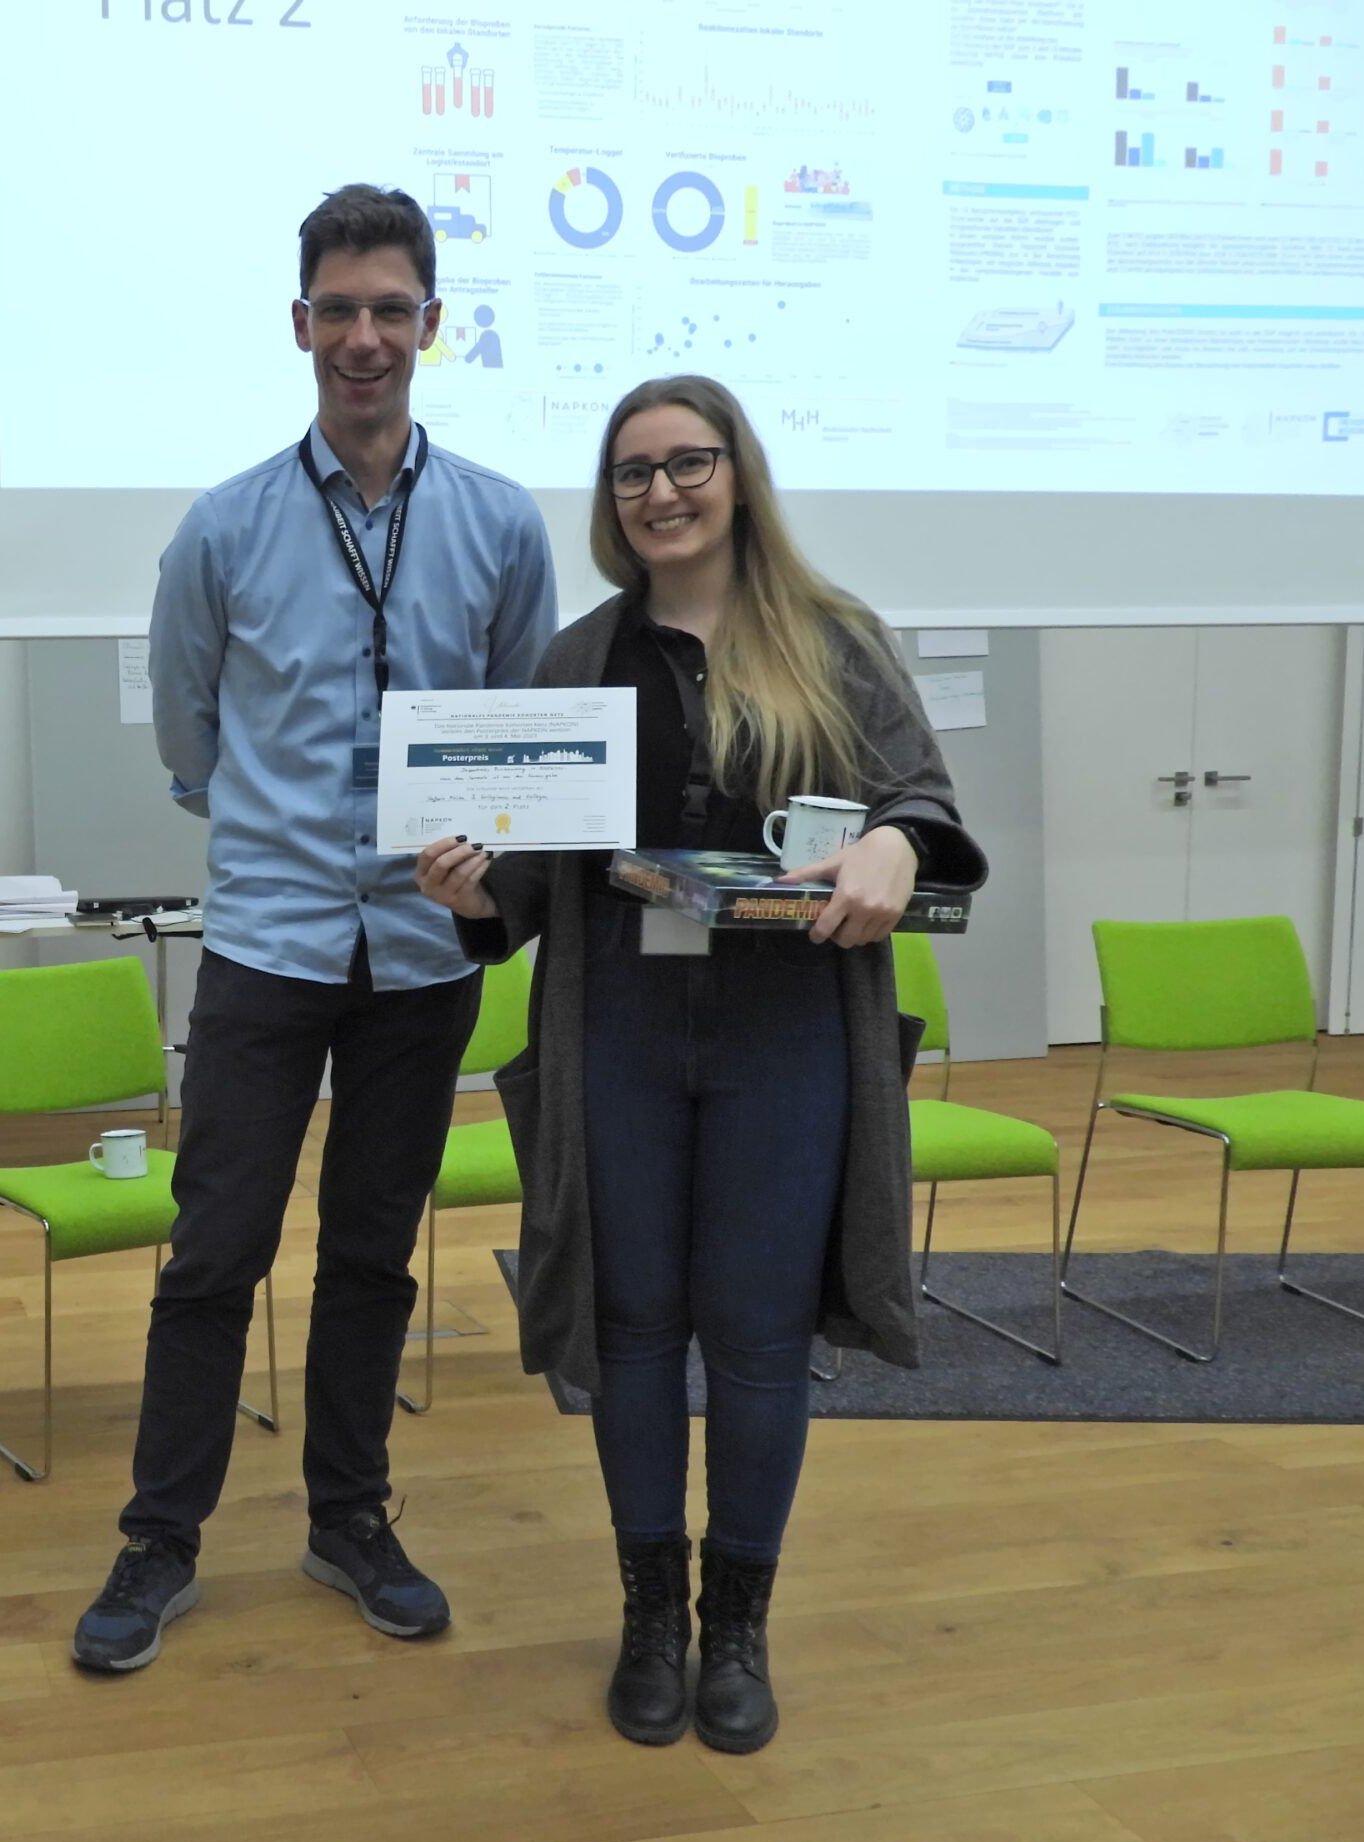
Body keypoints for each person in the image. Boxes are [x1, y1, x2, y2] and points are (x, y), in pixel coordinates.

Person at [416, 374, 985, 1752]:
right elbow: (535, 882)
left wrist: (897, 847)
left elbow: (922, 805)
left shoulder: (836, 643)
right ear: (610, 504)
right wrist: (472, 893)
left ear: (739, 473)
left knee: (753, 1337)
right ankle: (648, 1620)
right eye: (631, 474)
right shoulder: (577, 659)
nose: (660, 492)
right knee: (628, 1328)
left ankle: (737, 1626)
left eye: (686, 463)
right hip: (615, 1021)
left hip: (784, 1033)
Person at [72, 184, 557, 1673]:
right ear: (301, 327)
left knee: (370, 1254)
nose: (364, 337)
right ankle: (160, 1542)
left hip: (420, 961)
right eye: (338, 310)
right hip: (270, 947)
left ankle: (350, 1515)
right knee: (213, 1250)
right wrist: (288, 836)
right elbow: (190, 734)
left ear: (431, 325)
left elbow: (519, 733)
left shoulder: (496, 522)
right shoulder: (220, 530)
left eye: (390, 309)